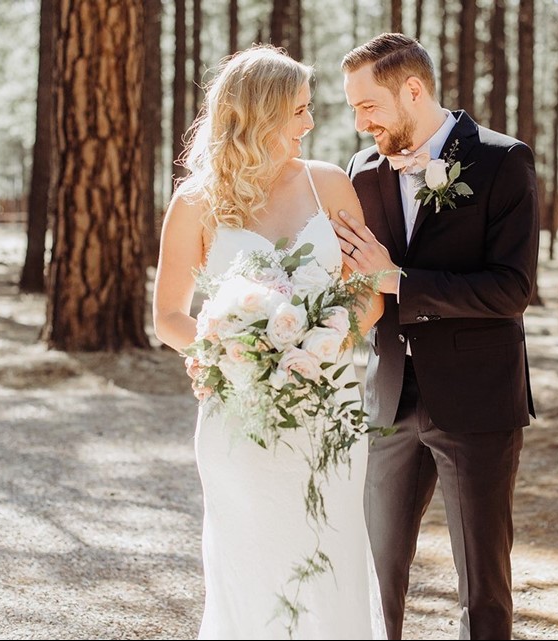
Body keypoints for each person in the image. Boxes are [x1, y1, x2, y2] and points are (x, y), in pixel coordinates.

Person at [151, 46, 385, 639]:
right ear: (259, 114)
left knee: (331, 552)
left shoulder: (329, 183)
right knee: (250, 559)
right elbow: (169, 317)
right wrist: (226, 354)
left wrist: (320, 346)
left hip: (328, 405)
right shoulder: (196, 202)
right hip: (240, 411)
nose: (311, 124)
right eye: (299, 111)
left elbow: (371, 293)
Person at [334, 33, 540, 640]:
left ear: (413, 91)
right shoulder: (363, 170)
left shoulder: (504, 161)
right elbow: (356, 285)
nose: (358, 123)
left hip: (477, 403)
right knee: (374, 575)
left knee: (482, 584)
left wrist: (400, 281)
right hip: (388, 398)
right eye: (352, 109)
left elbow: (511, 290)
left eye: (367, 106)